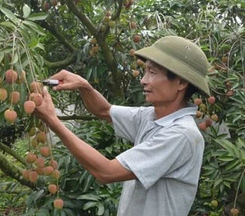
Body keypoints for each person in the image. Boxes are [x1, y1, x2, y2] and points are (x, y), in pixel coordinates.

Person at [34, 36, 211, 216]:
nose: (143, 80)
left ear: (181, 82)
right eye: (145, 71)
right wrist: (83, 85)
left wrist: (53, 121)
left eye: (153, 72)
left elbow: (106, 172)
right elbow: (104, 110)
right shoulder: (150, 116)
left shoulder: (181, 135)